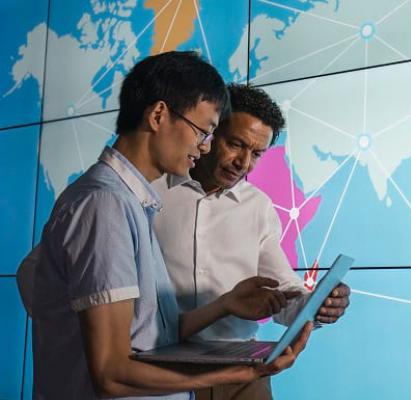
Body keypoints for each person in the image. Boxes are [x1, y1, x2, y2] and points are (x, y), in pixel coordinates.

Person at [31, 51, 311, 399]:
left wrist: (226, 305)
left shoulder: (133, 202)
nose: (204, 146)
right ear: (159, 114)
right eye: (204, 131)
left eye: (256, 154)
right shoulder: (106, 203)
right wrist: (236, 371)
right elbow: (111, 371)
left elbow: (151, 332)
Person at [152, 83, 351, 400]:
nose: (243, 163)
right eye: (236, 144)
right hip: (161, 372)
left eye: (257, 153)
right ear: (210, 132)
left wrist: (315, 306)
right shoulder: (152, 192)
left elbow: (283, 290)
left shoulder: (258, 206)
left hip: (243, 376)